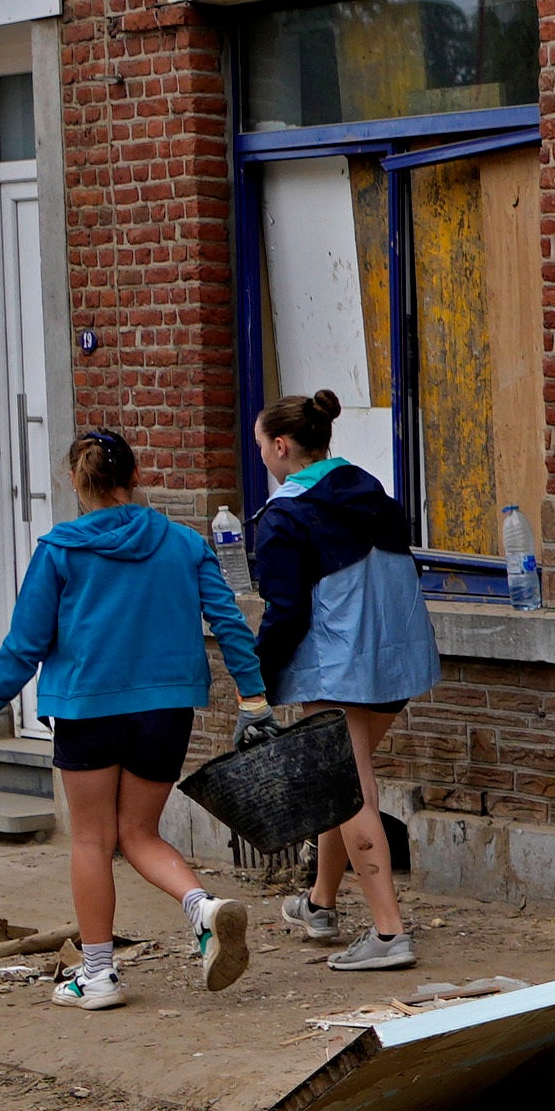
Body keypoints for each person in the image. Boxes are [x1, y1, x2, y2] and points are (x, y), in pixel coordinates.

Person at [0, 428, 266, 1010]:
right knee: (139, 833)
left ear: (75, 482)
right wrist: (253, 701)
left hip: (88, 709)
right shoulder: (182, 543)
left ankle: (97, 975)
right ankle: (202, 907)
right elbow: (228, 623)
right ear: (135, 477)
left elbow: (25, 646)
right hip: (165, 710)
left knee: (94, 839)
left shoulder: (60, 550)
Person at [243, 388, 443, 972]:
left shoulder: (284, 515)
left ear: (281, 446)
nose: (262, 458)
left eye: (261, 446)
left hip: (336, 666)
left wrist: (253, 679)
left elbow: (285, 614)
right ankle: (319, 905)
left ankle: (388, 934)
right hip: (399, 661)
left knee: (352, 791)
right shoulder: (374, 493)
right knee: (342, 781)